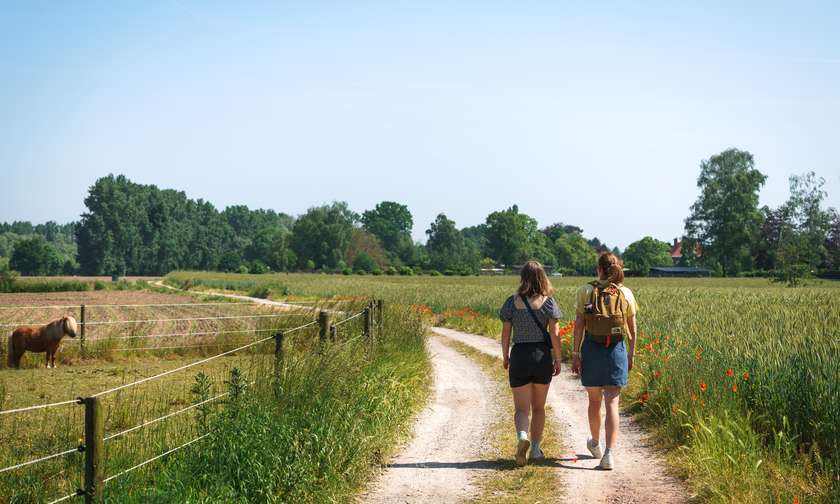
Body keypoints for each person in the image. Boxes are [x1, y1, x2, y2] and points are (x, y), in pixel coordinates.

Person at [571, 252, 638, 470]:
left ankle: (595, 443)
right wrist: (631, 354)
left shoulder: (585, 290)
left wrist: (575, 354)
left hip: (592, 347)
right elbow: (633, 329)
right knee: (612, 403)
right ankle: (609, 454)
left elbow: (579, 324)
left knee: (594, 401)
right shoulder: (625, 292)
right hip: (616, 348)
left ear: (598, 268)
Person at [499, 260, 563, 466]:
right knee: (539, 407)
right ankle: (535, 449)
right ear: (542, 277)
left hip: (519, 355)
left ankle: (522, 438)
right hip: (541, 356)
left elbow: (506, 333)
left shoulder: (511, 302)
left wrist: (505, 356)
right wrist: (558, 359)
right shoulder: (549, 303)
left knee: (520, 409)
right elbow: (554, 334)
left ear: (522, 277)